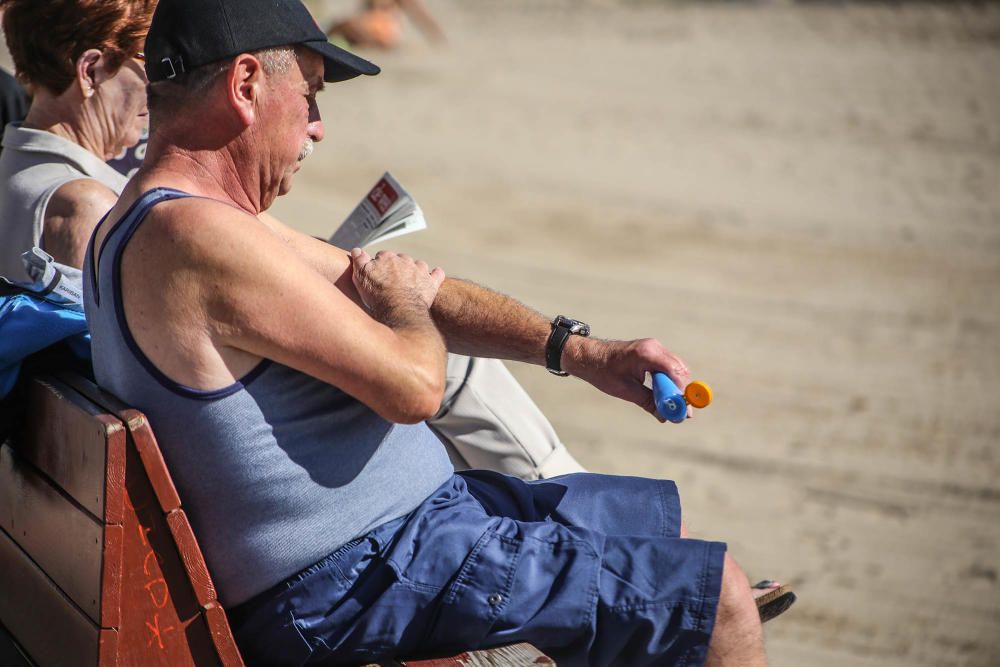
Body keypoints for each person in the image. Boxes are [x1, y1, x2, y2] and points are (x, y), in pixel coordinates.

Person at [84, 0, 793, 665]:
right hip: (357, 579)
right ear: (245, 85)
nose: (318, 128)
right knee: (723, 597)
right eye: (312, 97)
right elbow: (416, 386)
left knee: (663, 532)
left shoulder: (172, 219)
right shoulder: (195, 237)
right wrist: (405, 308)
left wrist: (580, 350)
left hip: (408, 542)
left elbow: (391, 281)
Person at [0, 0, 585, 483]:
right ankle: (570, 491)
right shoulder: (87, 207)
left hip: (99, 480)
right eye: (151, 72)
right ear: (92, 71)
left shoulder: (20, 173)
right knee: (448, 365)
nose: (162, 95)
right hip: (219, 479)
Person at [0, 0, 155, 282]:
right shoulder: (86, 206)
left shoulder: (16, 166)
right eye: (152, 60)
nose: (159, 85)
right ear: (90, 71)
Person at [326, 0, 445, 50]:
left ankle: (323, 37)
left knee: (345, 24)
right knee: (341, 24)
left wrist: (435, 34)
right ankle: (324, 37)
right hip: (370, 29)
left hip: (384, 32)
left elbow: (419, 15)